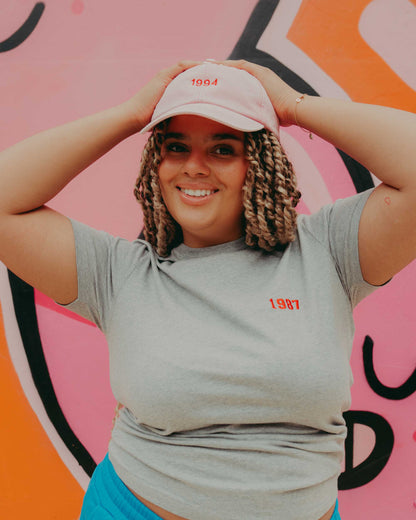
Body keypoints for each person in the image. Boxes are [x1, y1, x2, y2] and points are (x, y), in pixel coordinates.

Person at [0, 59, 415, 520]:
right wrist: (132, 116)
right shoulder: (117, 273)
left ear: (257, 163)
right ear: (156, 165)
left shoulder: (328, 253)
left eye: (222, 149)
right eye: (176, 147)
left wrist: (291, 106)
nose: (194, 167)